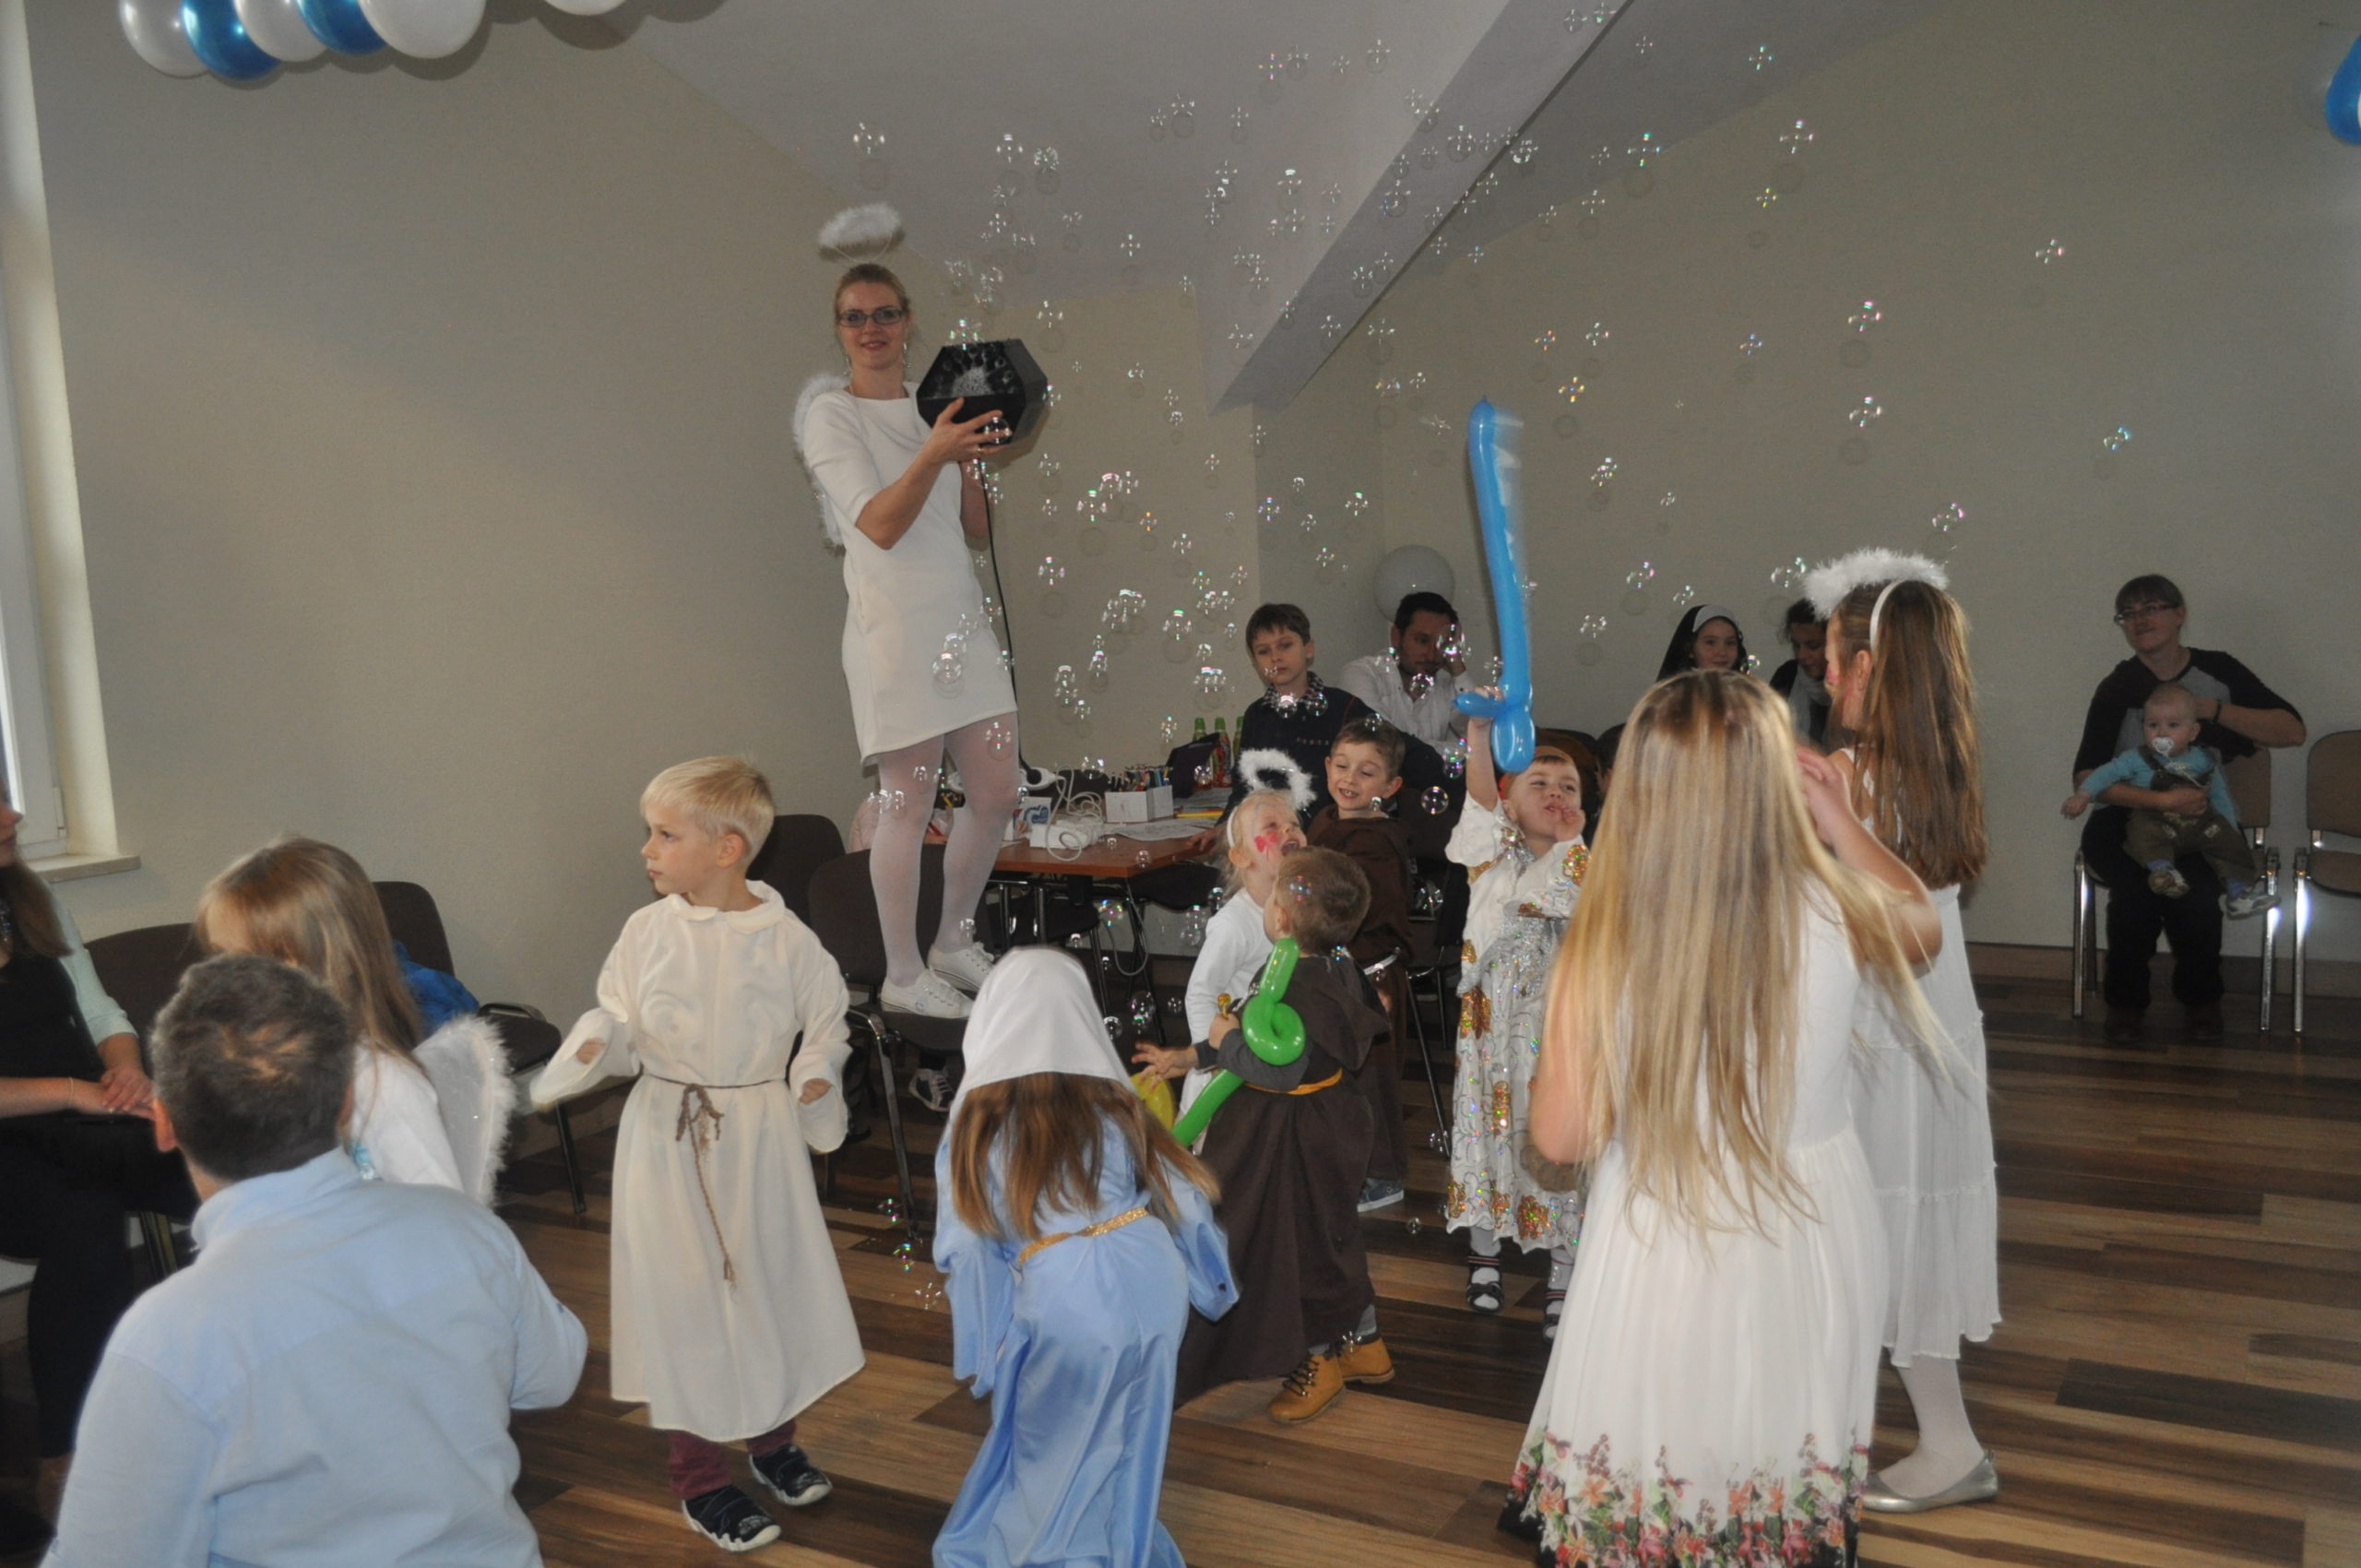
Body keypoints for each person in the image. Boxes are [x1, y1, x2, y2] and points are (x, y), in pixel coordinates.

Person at [1501, 671, 1942, 1563]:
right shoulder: (1839, 905)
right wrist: (1841, 820)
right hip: (1814, 1222)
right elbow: (1923, 926)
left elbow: (1560, 1140)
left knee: (1663, 1430)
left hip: (1664, 1228)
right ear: (1778, 781)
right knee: (1782, 1430)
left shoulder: (1605, 940)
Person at [45, 954, 585, 1567]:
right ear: (346, 1100)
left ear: (164, 1122)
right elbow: (550, 1377)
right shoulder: (463, 1229)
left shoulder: (169, 1336)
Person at [532, 757, 860, 1552]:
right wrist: (599, 1039)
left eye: (665, 834)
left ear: (727, 848)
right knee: (684, 1298)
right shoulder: (646, 933)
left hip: (758, 1137)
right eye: (650, 832)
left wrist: (815, 1074)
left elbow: (828, 1023)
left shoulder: (788, 941)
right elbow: (617, 1012)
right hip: (668, 1136)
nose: (647, 849)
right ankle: (700, 1478)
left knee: (765, 1284)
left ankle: (772, 1441)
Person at [931, 949, 1237, 1568]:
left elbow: (968, 1246)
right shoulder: (1115, 1101)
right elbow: (1183, 1193)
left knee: (1050, 1436)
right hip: (1153, 1278)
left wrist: (985, 1346)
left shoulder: (980, 1122)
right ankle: (1120, 1537)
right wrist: (1211, 1280)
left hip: (1067, 1294)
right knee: (1135, 1424)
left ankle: (1049, 1550)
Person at [1811, 551, 2001, 1513]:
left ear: (1868, 666)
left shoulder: (1846, 776)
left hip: (1875, 1025)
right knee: (1904, 1219)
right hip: (1936, 1023)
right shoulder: (1940, 767)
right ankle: (1938, 1437)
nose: (1823, 679)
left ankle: (1919, 1442)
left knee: (1862, 1223)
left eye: (1831, 661)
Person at [795, 261, 1021, 1021]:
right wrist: (934, 451)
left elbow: (976, 530)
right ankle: (901, 972)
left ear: (908, 320)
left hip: (959, 624)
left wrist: (969, 462)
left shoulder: (937, 406)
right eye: (855, 316)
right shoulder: (831, 416)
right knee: (908, 799)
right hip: (892, 631)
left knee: (997, 791)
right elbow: (881, 525)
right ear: (839, 329)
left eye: (885, 314)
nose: (872, 329)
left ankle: (953, 939)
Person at [1136, 847, 1395, 1425]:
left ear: (1279, 916)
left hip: (1291, 1140)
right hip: (1328, 1125)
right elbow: (1260, 1034)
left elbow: (1277, 1068)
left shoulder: (1299, 984)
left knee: (1292, 1248)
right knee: (1332, 1237)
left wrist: (1223, 1043)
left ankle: (1318, 1361)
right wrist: (1191, 1056)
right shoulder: (1331, 967)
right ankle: (1365, 1344)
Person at [0, 792, 194, 1528]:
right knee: (85, 1222)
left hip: (85, 1115)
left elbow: (100, 1008)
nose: (14, 816)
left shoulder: (29, 898)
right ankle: (68, 1460)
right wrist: (73, 1091)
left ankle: (281, 1373)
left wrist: (126, 1069)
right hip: (12, 1145)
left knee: (220, 1164)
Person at [2071, 574, 2305, 1043]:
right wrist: (2159, 800)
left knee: (2196, 896)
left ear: (2180, 614)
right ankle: (2126, 1005)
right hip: (2125, 819)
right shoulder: (2118, 687)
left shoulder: (2218, 671)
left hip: (2201, 817)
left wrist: (2208, 709)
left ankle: (2201, 1002)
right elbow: (2086, 778)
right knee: (2135, 895)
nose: (2140, 620)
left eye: (2152, 608)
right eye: (2129, 613)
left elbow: (2291, 730)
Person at [195, 837, 469, 1192]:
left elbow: (443, 1211)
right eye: (220, 957)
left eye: (249, 962)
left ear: (325, 965)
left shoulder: (383, 1086)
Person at [1442, 698, 1587, 1337]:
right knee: (1485, 1135)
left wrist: (1571, 841)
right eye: (1540, 783)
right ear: (1507, 801)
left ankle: (1564, 1269)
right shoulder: (1490, 857)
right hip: (1489, 1036)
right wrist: (1479, 735)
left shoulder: (1584, 861)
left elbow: (1568, 897)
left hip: (1557, 1040)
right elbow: (1478, 800)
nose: (1555, 794)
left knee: (1556, 1146)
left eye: (1569, 787)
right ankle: (1485, 1250)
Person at [1306, 716, 1415, 1212]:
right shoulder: (1327, 819)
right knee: (1340, 1075)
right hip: (1334, 968)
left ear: (1390, 787)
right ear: (1327, 766)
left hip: (1371, 976)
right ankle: (1344, 1162)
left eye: (1367, 772)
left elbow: (1361, 912)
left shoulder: (1378, 842)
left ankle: (1384, 1174)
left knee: (1373, 1078)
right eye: (1343, 766)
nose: (1350, 779)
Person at [2064, 683, 2275, 919]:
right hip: (2157, 821)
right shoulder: (2135, 758)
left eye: (2173, 725)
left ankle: (2239, 893)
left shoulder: (2204, 760)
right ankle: (2163, 872)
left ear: (2192, 732)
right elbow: (2104, 774)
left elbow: (2219, 794)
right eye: (2153, 725)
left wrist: (2231, 825)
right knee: (2142, 832)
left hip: (2199, 824)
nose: (2161, 733)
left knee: (2230, 844)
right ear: (2143, 728)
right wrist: (2083, 794)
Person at [1179, 790, 1302, 1120]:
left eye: (1294, 824)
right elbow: (1200, 993)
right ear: (1242, 856)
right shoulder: (1235, 924)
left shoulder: (1304, 909)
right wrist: (1213, 1054)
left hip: (1267, 1054)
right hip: (1227, 1071)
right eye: (1272, 826)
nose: (1288, 830)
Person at [1334, 591, 1476, 746]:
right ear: (1396, 636)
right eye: (1422, 641)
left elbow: (1481, 735)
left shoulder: (1446, 685)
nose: (1432, 655)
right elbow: (1383, 745)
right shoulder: (1360, 674)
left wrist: (1457, 667)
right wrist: (1448, 751)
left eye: (1442, 643)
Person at [1769, 598, 1833, 745]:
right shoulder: (1786, 676)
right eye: (1796, 646)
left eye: (1813, 646)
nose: (1802, 655)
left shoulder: (1853, 684)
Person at [1655, 603, 1749, 681]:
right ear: (1690, 649)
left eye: (1730, 643)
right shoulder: (1672, 696)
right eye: (1710, 642)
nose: (1722, 652)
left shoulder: (1747, 694)